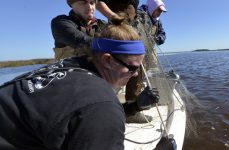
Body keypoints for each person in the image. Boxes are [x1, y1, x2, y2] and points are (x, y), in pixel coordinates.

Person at [0, 15, 159, 149]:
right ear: (108, 60)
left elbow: (78, 113)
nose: (136, 74)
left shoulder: (70, 65)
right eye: (132, 68)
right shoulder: (101, 105)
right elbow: (95, 111)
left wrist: (135, 106)